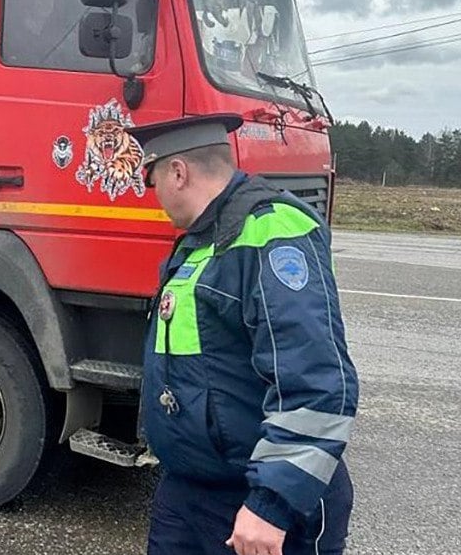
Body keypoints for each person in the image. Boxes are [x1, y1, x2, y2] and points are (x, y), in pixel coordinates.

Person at [127, 114, 359, 555]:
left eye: (152, 180)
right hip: (190, 492)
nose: (153, 197)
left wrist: (271, 504)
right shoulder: (202, 239)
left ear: (178, 173)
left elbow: (316, 384)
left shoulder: (272, 232)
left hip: (256, 505)